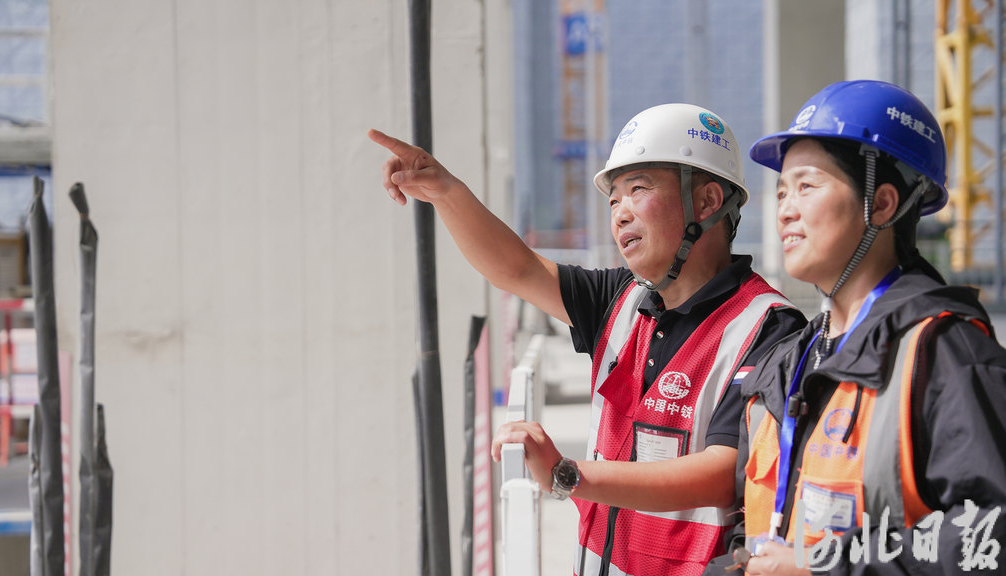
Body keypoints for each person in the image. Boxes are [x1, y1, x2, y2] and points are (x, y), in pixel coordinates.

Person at [370, 102, 805, 576]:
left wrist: (568, 474)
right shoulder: (620, 300)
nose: (620, 214)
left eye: (638, 189)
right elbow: (517, 269)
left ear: (706, 202)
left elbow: (724, 472)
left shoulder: (768, 327)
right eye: (613, 200)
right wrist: (445, 193)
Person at [703, 80, 1006, 576]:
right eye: (781, 192)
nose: (785, 209)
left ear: (881, 204)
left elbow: (990, 536)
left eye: (806, 186)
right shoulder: (784, 365)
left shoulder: (945, 353)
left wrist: (826, 568)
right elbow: (755, 528)